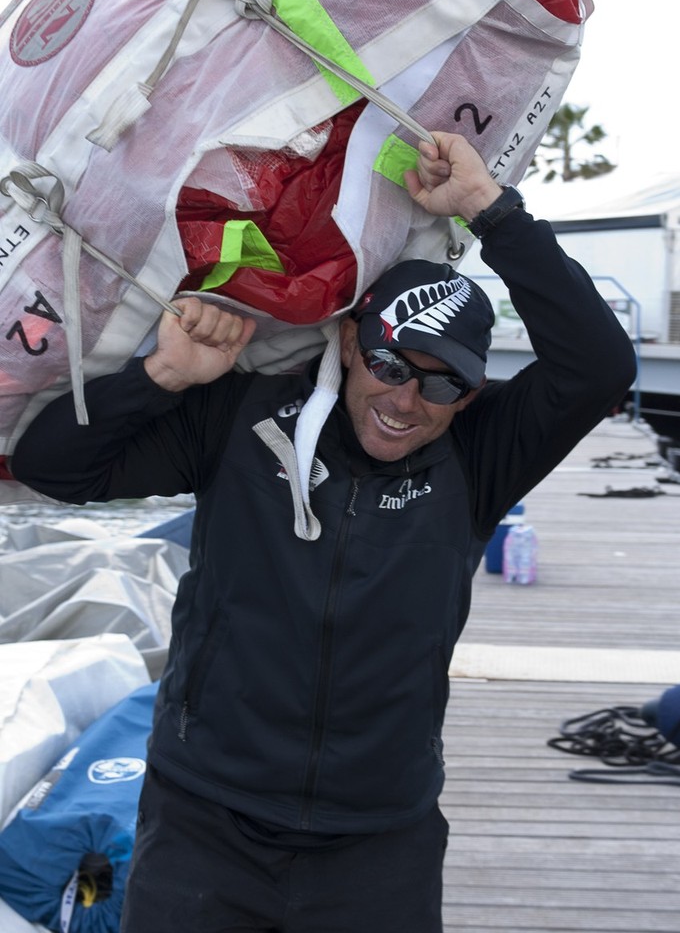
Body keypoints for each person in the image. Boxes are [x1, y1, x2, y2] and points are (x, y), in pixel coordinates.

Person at [10, 133, 636, 933]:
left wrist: (488, 207)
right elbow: (55, 466)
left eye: (445, 381)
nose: (408, 399)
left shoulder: (480, 459)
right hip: (207, 819)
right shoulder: (242, 418)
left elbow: (600, 365)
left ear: (474, 395)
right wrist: (161, 375)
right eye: (392, 365)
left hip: (380, 840)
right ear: (349, 342)